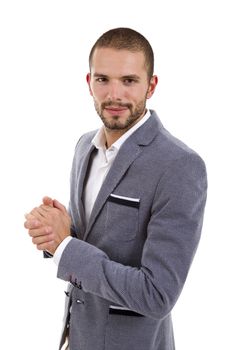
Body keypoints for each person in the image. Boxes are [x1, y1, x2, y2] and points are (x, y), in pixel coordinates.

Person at [24, 27, 207, 350]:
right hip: (78, 337)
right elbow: (97, 242)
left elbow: (157, 294)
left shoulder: (180, 166)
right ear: (88, 82)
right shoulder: (84, 147)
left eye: (129, 81)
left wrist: (65, 245)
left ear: (151, 86)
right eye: (103, 79)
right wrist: (56, 231)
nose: (114, 95)